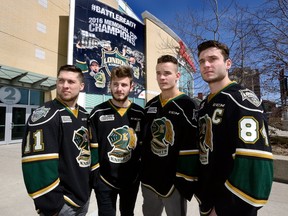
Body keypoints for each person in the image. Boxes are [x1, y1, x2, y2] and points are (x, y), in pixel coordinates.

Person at [195, 40, 274, 216]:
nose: (206, 64)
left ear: (228, 63)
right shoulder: (204, 105)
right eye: (202, 61)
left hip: (232, 207)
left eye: (213, 59)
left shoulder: (241, 100)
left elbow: (256, 163)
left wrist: (225, 207)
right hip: (208, 202)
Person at [22, 65, 91, 216]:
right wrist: (53, 205)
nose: (65, 86)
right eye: (61, 81)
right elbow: (36, 165)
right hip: (61, 205)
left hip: (82, 198)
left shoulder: (84, 115)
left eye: (71, 82)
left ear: (81, 86)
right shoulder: (45, 115)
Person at [141, 55, 199, 216]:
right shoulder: (150, 105)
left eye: (167, 73)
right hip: (149, 180)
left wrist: (185, 180)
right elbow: (144, 142)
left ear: (177, 76)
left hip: (175, 182)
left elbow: (194, 145)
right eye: (158, 73)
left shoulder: (189, 105)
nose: (162, 77)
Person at [89, 65, 145, 216]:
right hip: (105, 181)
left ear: (131, 87)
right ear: (110, 86)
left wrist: (139, 172)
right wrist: (96, 177)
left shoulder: (140, 113)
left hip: (131, 180)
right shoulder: (98, 112)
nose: (119, 89)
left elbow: (143, 146)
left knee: (128, 213)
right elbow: (91, 147)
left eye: (124, 85)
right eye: (115, 84)